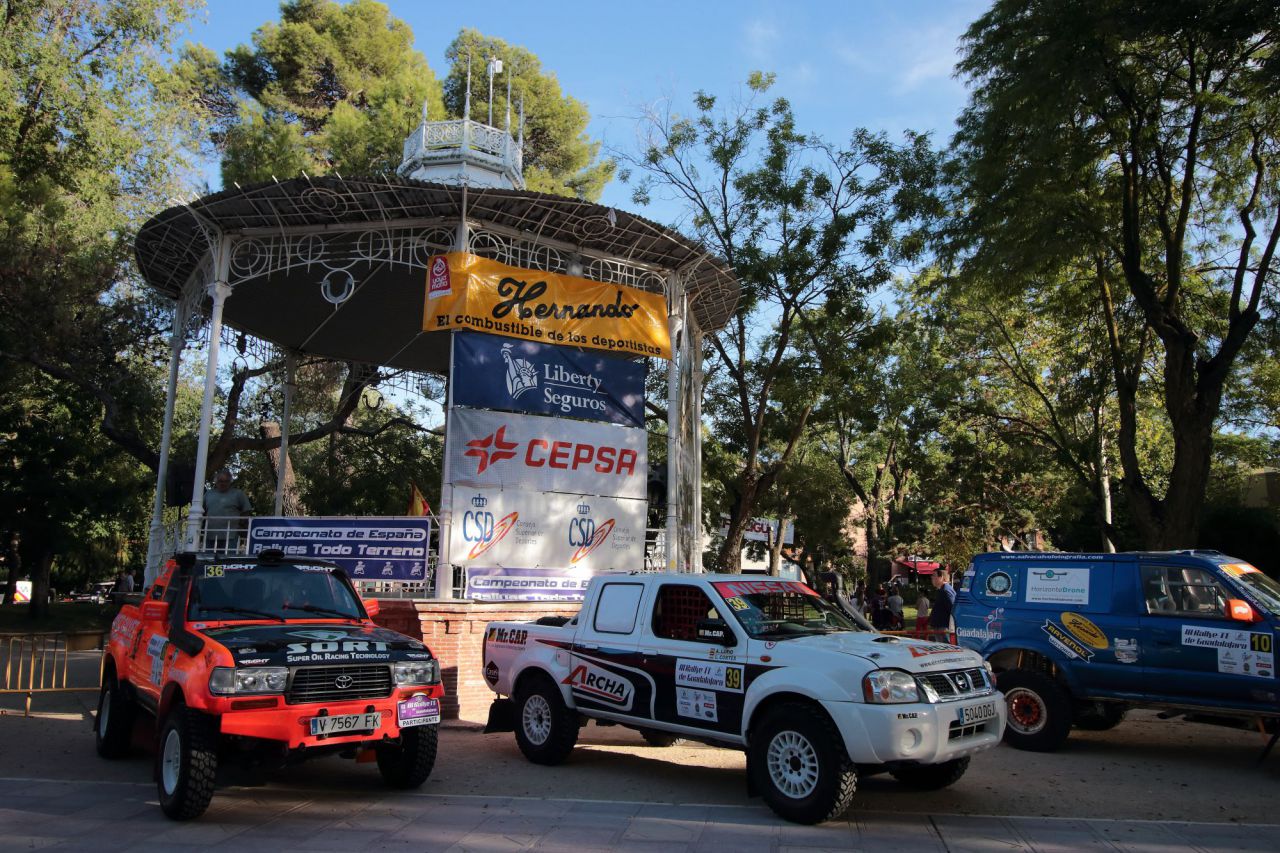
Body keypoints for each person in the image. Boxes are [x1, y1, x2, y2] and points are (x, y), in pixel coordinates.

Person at [203, 469, 253, 552]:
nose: (223, 483)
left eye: (226, 481)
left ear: (230, 482)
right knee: (208, 558)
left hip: (231, 535)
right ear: (216, 482)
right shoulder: (208, 494)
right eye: (220, 481)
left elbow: (247, 510)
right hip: (210, 534)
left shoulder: (238, 494)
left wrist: (241, 525)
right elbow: (202, 510)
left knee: (228, 558)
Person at [928, 568, 956, 641]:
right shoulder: (943, 590)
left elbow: (953, 609)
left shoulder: (946, 590)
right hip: (941, 627)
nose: (931, 577)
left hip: (943, 628)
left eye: (934, 575)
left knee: (945, 647)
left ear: (941, 577)